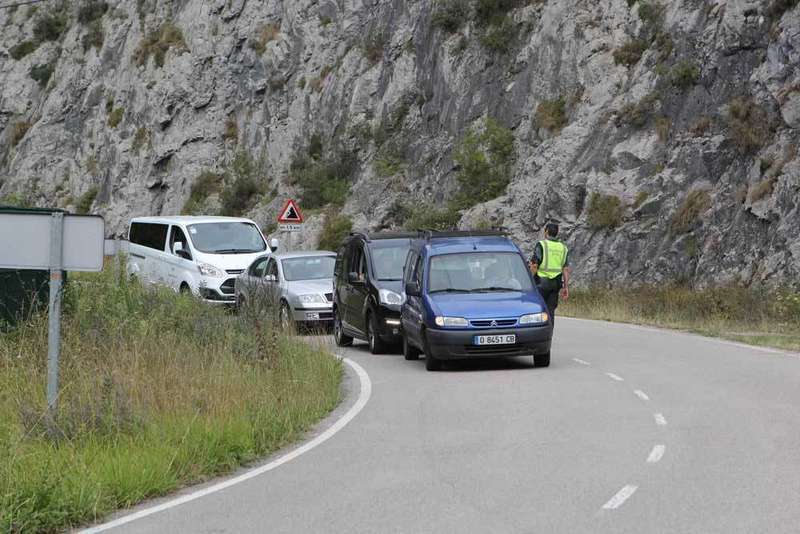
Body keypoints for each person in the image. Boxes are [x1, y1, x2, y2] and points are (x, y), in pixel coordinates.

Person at [529, 222, 570, 326]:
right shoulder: (563, 248)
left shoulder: (542, 245)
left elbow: (534, 265)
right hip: (556, 284)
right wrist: (566, 287)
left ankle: (539, 335)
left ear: (546, 231)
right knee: (550, 311)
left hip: (541, 283)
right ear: (557, 233)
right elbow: (565, 269)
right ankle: (549, 333)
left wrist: (529, 281)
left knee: (538, 310)